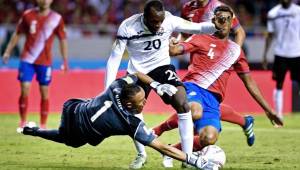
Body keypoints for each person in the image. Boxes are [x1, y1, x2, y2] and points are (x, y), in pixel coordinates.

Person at [153, 6, 283, 167]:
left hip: (213, 100)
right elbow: (175, 50)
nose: (224, 21)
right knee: (194, 110)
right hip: (193, 87)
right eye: (220, 18)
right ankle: (161, 133)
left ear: (231, 23)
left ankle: (172, 149)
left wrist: (268, 110)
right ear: (213, 21)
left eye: (228, 19)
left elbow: (249, 82)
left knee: (209, 138)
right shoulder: (200, 38)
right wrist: (171, 43)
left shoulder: (235, 51)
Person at [104, 0, 218, 168]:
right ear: (144, 17)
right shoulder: (128, 27)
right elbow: (114, 58)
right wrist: (108, 89)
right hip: (138, 72)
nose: (158, 25)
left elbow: (199, 28)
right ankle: (141, 154)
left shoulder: (169, 20)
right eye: (154, 21)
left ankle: (187, 158)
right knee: (131, 110)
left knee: (183, 103)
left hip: (161, 67)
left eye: (160, 21)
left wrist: (215, 26)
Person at [21, 73, 218, 170]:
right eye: (142, 102)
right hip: (82, 132)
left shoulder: (116, 87)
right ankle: (35, 131)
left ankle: (33, 131)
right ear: (130, 105)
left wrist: (155, 85)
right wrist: (196, 160)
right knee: (70, 141)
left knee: (68, 131)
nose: (145, 102)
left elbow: (137, 74)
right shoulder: (130, 123)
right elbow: (163, 148)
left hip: (70, 108)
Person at [179, 0, 256, 147]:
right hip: (199, 54)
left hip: (218, 59)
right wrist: (178, 43)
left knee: (199, 105)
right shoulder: (187, 8)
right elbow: (183, 33)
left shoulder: (217, 7)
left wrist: (231, 55)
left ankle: (176, 145)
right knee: (198, 106)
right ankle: (244, 122)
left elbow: (239, 31)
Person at [2, 0, 68, 130]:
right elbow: (17, 34)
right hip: (28, 59)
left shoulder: (56, 18)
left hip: (45, 61)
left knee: (44, 92)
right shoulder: (28, 15)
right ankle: (22, 122)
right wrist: (7, 51)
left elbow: (62, 39)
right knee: (25, 88)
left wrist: (64, 60)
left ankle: (43, 124)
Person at [262, 0, 300, 120]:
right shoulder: (273, 13)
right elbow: (270, 34)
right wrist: (265, 54)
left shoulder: (298, 11)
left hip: (297, 53)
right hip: (280, 53)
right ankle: (278, 114)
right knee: (279, 84)